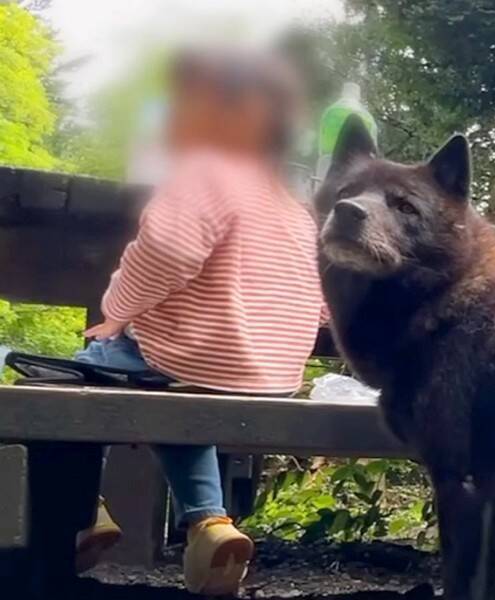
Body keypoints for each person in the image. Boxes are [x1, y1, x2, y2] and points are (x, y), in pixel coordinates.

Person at [74, 49, 324, 596]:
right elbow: (322, 297)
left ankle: (78, 512)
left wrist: (119, 310)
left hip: (193, 358)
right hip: (272, 377)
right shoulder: (289, 205)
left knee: (75, 378)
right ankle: (210, 524)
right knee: (179, 396)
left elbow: (167, 249)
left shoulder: (205, 175)